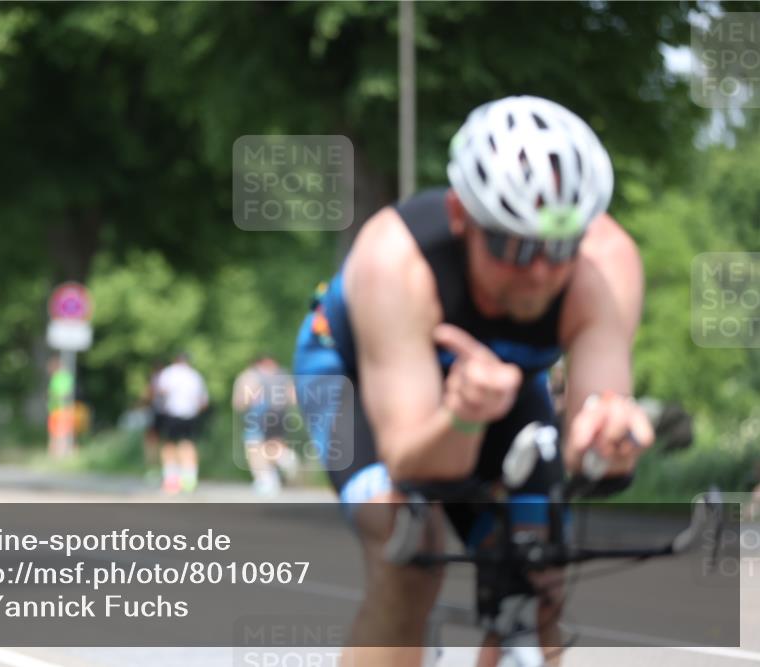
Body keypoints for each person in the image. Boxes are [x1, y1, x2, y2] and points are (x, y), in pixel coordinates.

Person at [292, 96, 655, 667]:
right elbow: (414, 461)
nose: (539, 271)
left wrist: (608, 443)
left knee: (538, 575)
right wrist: (463, 417)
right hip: (353, 374)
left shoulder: (605, 264)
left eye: (559, 246)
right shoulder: (394, 259)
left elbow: (597, 416)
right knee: (409, 556)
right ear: (462, 216)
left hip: (500, 388)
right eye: (513, 245)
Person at [232, 354, 300, 495]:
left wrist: (240, 405)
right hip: (280, 414)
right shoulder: (282, 375)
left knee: (254, 448)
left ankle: (266, 479)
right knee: (272, 445)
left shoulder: (250, 375)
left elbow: (242, 400)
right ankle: (283, 460)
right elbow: (293, 397)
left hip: (258, 414)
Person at [155, 352, 209, 494]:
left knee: (169, 445)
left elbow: (161, 391)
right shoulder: (195, 375)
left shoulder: (169, 373)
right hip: (190, 415)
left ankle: (171, 479)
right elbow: (203, 401)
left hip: (172, 413)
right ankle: (190, 478)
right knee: (188, 444)